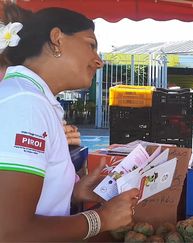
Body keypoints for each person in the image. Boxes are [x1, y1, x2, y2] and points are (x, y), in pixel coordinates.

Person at [0, 3, 139, 241]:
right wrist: (102, 219)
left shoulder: (31, 98)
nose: (98, 61)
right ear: (57, 39)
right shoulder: (25, 104)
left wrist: (71, 192)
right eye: (91, 45)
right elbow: (10, 232)